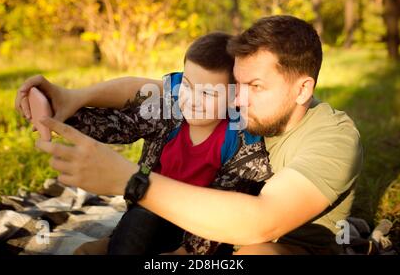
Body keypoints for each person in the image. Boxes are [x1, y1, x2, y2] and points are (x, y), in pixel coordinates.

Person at [15, 15, 363, 255]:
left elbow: (260, 221)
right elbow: (149, 91)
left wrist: (130, 180)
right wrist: (71, 98)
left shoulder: (333, 139)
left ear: (303, 90)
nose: (238, 99)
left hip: (269, 241)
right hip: (192, 219)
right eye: (237, 85)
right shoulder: (232, 104)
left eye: (254, 86)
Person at [62, 32, 272, 255]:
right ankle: (115, 242)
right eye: (187, 86)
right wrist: (64, 116)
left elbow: (227, 210)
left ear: (233, 97)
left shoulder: (238, 141)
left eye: (208, 94)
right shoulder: (168, 113)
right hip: (155, 210)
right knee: (140, 220)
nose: (192, 100)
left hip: (206, 227)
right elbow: (119, 124)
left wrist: (184, 252)